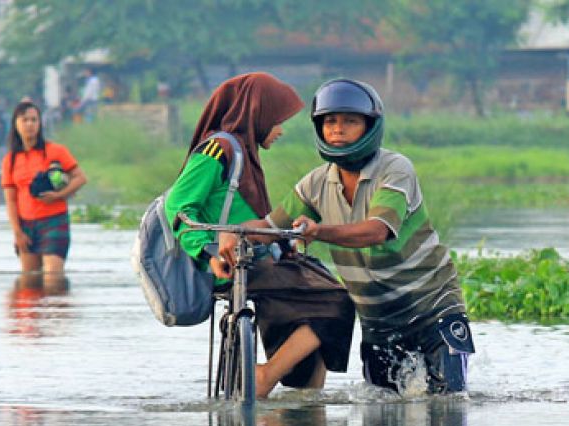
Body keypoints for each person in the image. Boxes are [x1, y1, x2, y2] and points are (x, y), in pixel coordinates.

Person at [222, 79, 475, 395]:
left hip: (433, 310)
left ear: (370, 126)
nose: (337, 130)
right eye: (330, 122)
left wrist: (319, 231)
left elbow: (377, 230)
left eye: (349, 121)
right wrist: (235, 234)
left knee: (448, 408)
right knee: (382, 420)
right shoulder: (314, 184)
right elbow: (271, 228)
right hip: (378, 323)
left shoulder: (395, 169)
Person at [165, 73, 355, 399]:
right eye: (278, 121)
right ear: (259, 114)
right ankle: (265, 376)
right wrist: (209, 254)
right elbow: (178, 209)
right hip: (229, 264)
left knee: (324, 283)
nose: (280, 130)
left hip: (259, 260)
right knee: (337, 301)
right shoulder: (217, 149)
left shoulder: (243, 153)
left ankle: (305, 403)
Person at [1, 101, 87, 275]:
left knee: (53, 277)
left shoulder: (55, 151)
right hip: (26, 225)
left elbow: (80, 178)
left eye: (34, 120)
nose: (29, 125)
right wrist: (17, 232)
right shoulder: (10, 160)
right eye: (24, 120)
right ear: (16, 124)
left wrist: (59, 195)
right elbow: (10, 200)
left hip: (54, 220)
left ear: (40, 124)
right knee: (29, 281)